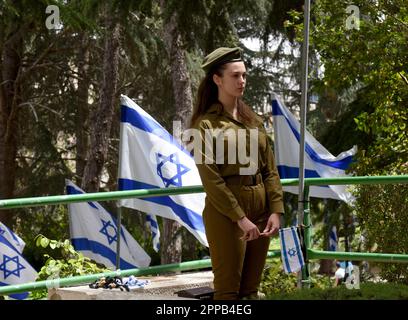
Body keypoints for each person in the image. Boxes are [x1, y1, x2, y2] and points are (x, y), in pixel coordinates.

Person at [188, 47, 284, 300]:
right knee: (228, 292)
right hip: (227, 214)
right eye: (235, 76)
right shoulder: (205, 125)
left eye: (244, 75)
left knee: (250, 291)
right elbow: (212, 181)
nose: (242, 81)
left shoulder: (253, 120)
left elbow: (270, 169)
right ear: (217, 80)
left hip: (261, 209)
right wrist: (241, 218)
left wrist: (275, 209)